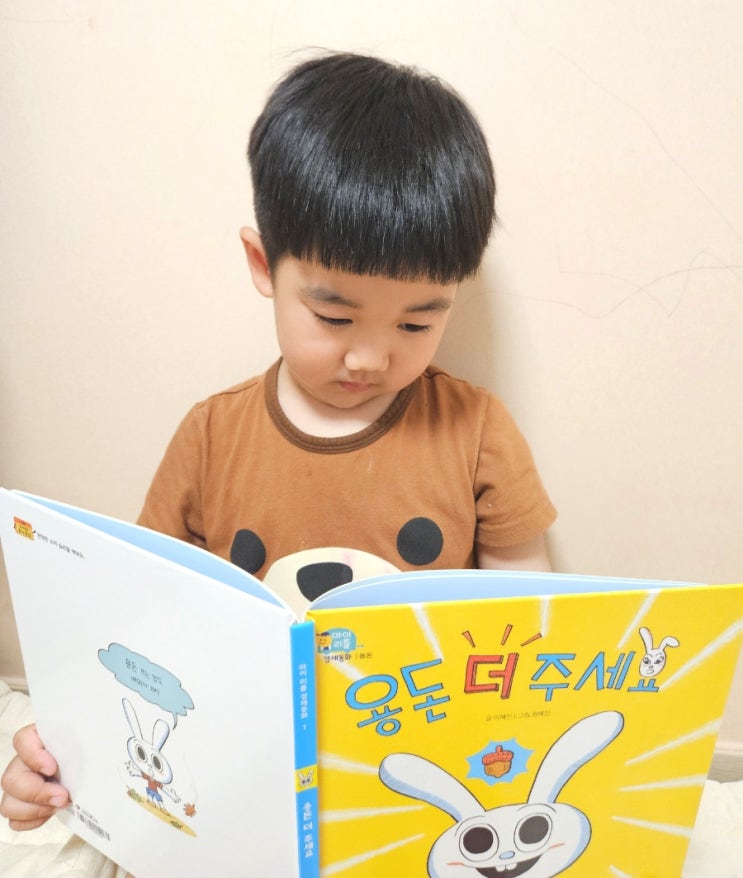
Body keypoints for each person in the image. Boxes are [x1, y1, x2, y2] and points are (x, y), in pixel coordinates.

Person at [1, 51, 556, 833]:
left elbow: (531, 622)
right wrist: (62, 751)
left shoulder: (475, 431)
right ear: (263, 264)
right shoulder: (212, 435)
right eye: (334, 317)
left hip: (421, 773)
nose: (369, 358)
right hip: (241, 766)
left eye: (415, 322)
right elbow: (137, 622)